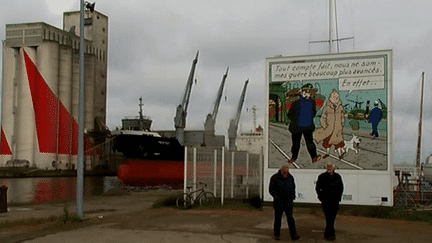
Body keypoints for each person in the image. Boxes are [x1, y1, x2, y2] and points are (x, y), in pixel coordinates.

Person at [287, 83, 321, 164]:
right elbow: (290, 114)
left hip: (306, 127)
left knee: (308, 143)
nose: (307, 93)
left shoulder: (312, 102)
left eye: (309, 92)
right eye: (306, 91)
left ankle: (313, 157)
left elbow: (313, 113)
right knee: (297, 144)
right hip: (298, 127)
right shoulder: (296, 103)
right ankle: (294, 158)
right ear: (302, 92)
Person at [269, 165, 300, 241]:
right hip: (278, 202)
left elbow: (293, 187)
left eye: (288, 171)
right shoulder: (275, 178)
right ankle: (277, 234)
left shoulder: (290, 177)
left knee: (290, 218)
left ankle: (294, 234)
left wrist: (292, 197)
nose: (287, 172)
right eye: (285, 171)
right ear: (282, 171)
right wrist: (276, 198)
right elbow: (271, 189)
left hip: (288, 202)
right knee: (278, 218)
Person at [315, 163, 344, 241]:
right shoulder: (322, 176)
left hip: (335, 200)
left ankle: (328, 233)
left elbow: (341, 188)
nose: (329, 168)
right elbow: (318, 188)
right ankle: (331, 234)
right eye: (328, 167)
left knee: (332, 217)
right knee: (328, 217)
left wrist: (338, 197)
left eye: (331, 167)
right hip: (326, 200)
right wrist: (321, 197)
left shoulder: (337, 177)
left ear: (334, 168)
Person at [314, 89, 346, 159]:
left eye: (337, 98)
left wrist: (342, 124)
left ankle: (340, 154)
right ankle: (327, 153)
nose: (335, 99)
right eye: (334, 98)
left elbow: (342, 117)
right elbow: (323, 118)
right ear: (331, 98)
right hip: (329, 128)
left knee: (337, 142)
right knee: (327, 142)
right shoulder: (327, 108)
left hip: (337, 129)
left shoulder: (340, 108)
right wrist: (325, 126)